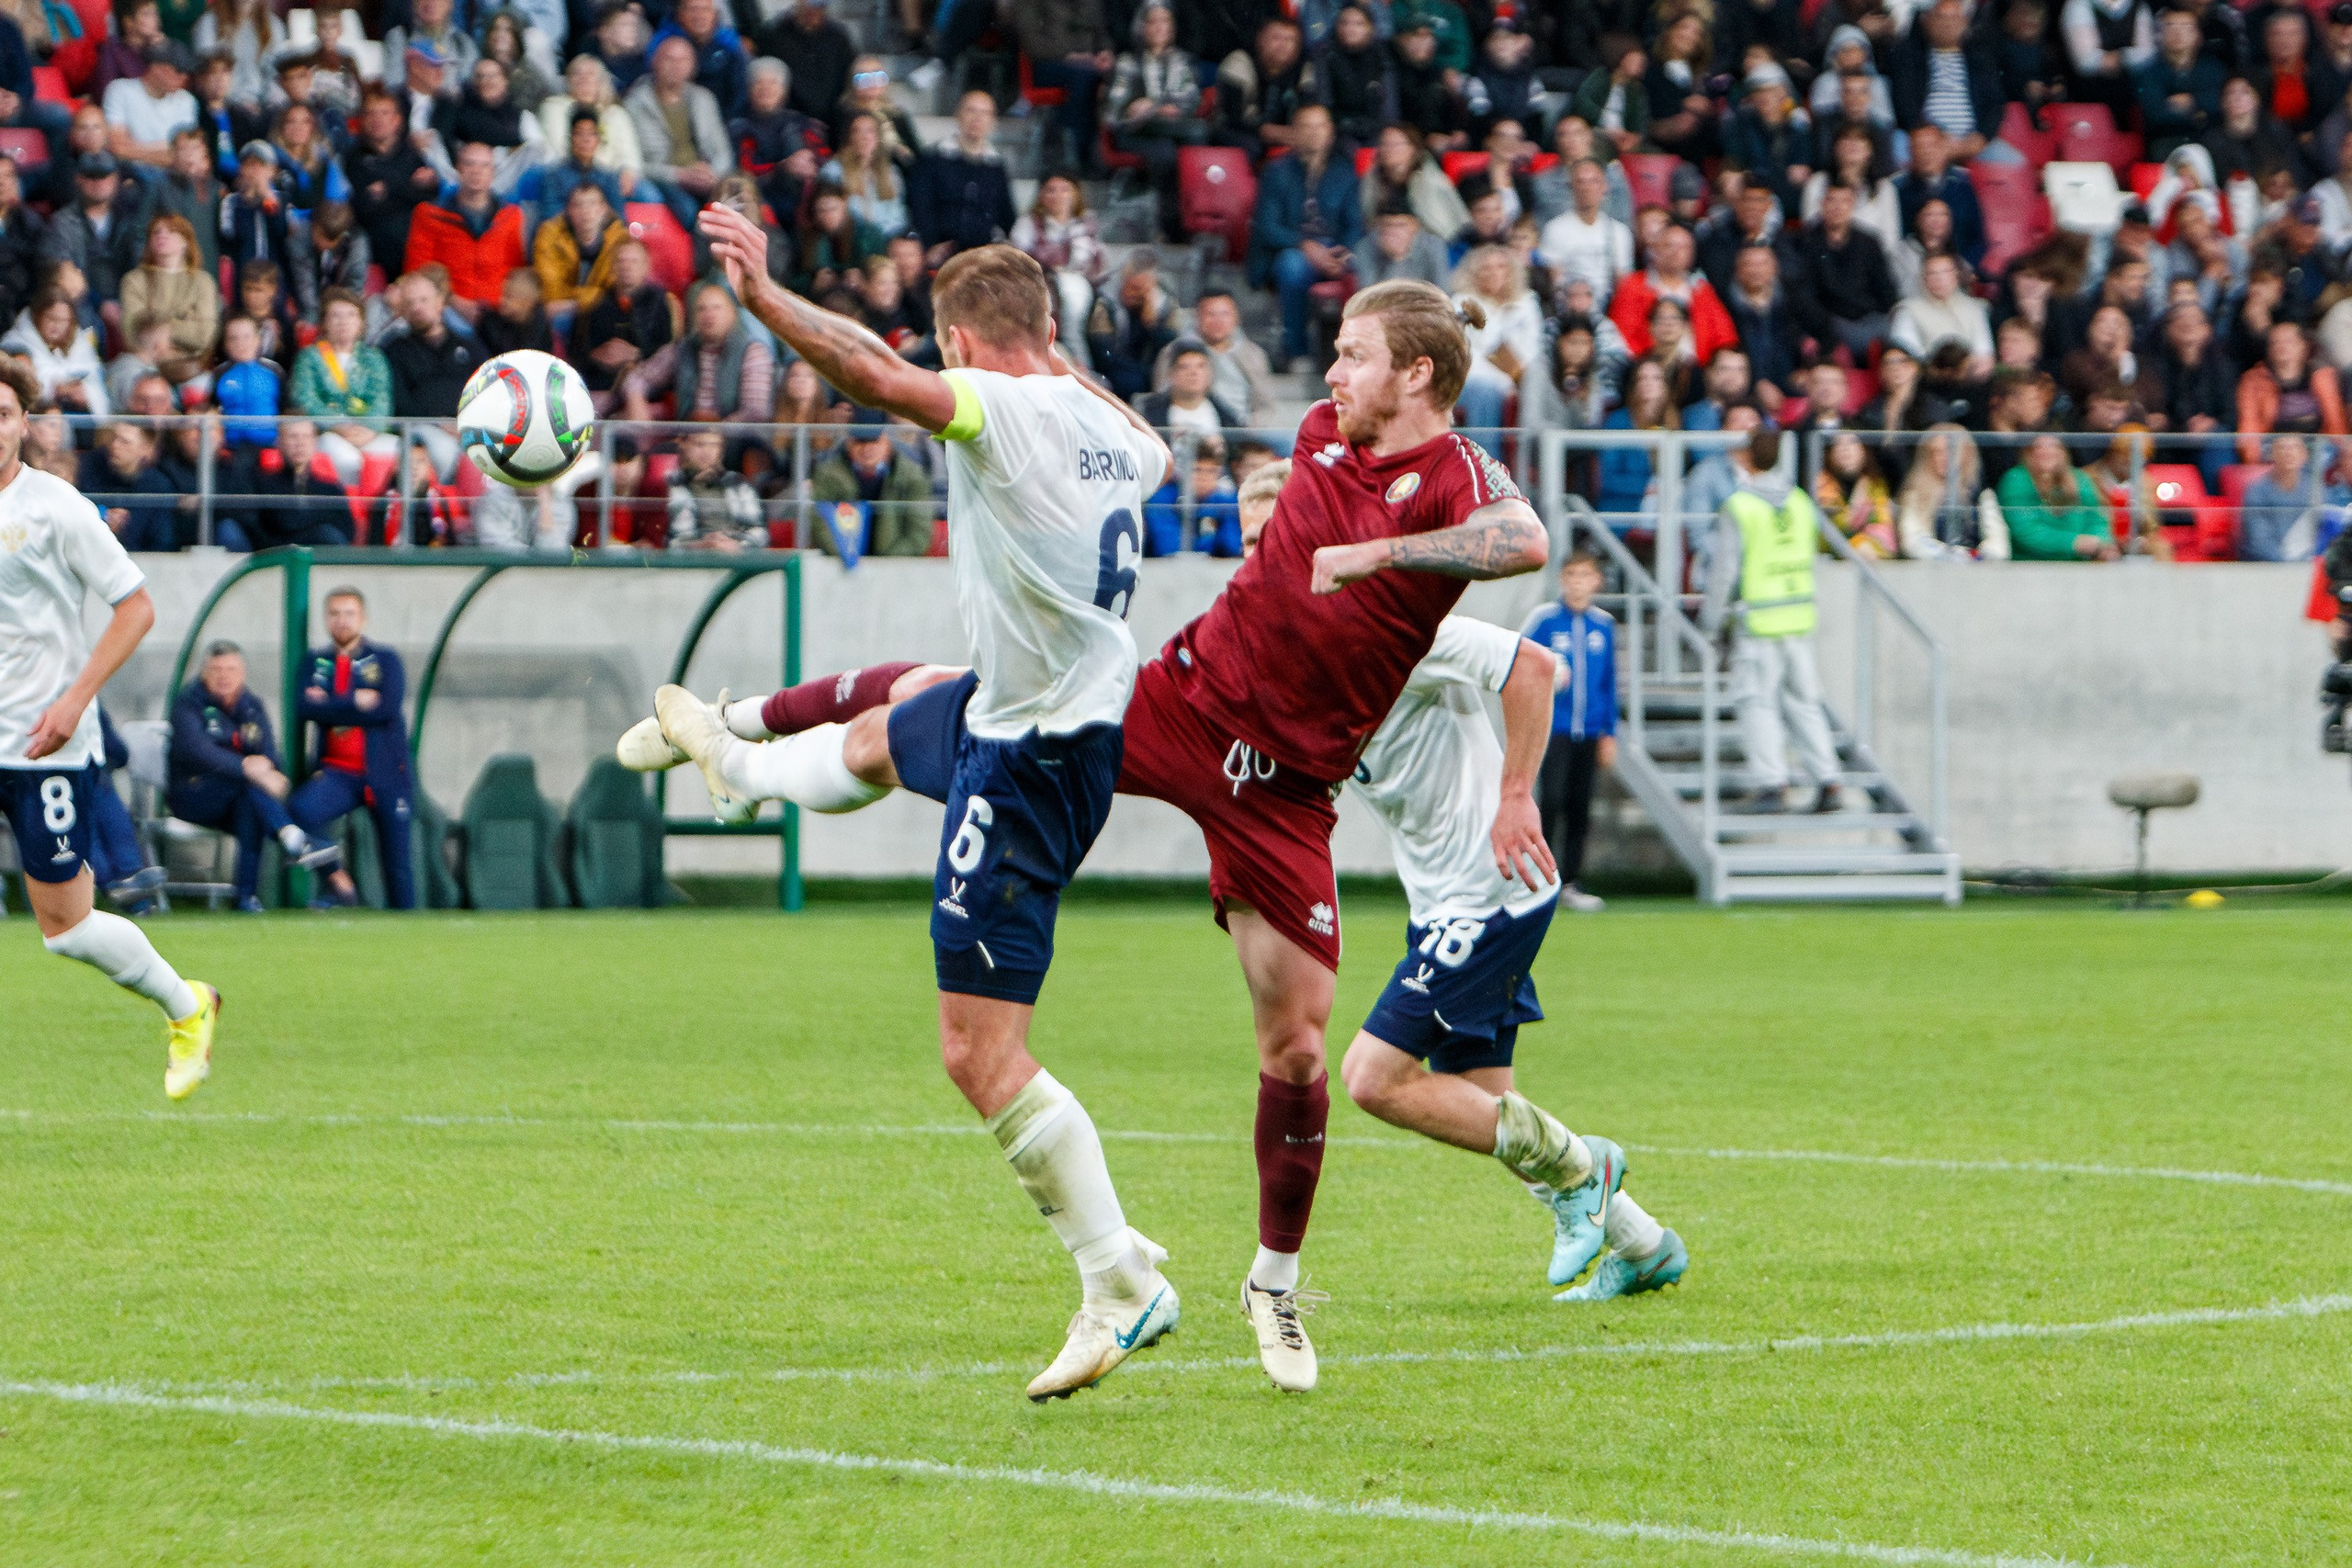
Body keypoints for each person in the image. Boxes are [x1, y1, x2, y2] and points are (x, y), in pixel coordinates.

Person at [643, 263, 1553, 1394]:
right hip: (1175, 700)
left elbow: (1521, 544)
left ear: (1417, 374)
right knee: (965, 707)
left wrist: (1379, 556)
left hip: (1287, 793)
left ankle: (1272, 1285)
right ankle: (743, 751)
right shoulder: (1321, 428)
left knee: (1299, 1049)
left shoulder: (1460, 474)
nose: (1329, 373)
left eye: (1354, 354)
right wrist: (1054, 364)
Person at [641, 215, 1181, 1403]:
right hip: (1056, 709)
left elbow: (875, 377)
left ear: (956, 341)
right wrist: (1043, 349)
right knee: (892, 726)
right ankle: (735, 757)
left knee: (976, 1051)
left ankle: (1117, 1277)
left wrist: (770, 297)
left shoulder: (1006, 409)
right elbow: (1148, 446)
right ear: (1048, 328)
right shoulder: (1112, 429)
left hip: (1028, 761)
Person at [1702, 426, 1844, 815]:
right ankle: (1828, 779)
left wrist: (1710, 623)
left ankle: (1771, 783)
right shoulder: (1800, 501)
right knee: (1804, 702)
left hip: (1759, 620)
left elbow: (1726, 571)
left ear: (1748, 457)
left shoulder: (1740, 506)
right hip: (1798, 615)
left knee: (1756, 701)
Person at [167, 637, 344, 916]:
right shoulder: (188, 704)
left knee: (251, 805)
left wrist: (271, 773)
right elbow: (196, 751)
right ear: (204, 673)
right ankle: (294, 839)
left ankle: (246, 897)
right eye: (216, 670)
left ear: (243, 673)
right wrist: (247, 768)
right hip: (193, 796)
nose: (224, 677)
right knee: (248, 787)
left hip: (239, 797)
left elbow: (270, 753)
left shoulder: (252, 706)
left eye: (231, 670)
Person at [285, 586, 415, 909]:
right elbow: (304, 708)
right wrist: (354, 702)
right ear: (326, 619)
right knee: (298, 811)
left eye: (349, 614)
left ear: (363, 618)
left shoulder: (385, 659)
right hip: (337, 772)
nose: (342, 621)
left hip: (384, 772)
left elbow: (386, 710)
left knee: (397, 861)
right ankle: (338, 883)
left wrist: (329, 703)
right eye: (334, 614)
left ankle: (409, 929)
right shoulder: (315, 661)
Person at [1520, 550, 1616, 914]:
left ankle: (1572, 882)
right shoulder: (1544, 621)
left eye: (1585, 574)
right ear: (1563, 579)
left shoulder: (1603, 625)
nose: (1578, 581)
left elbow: (1608, 683)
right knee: (1551, 802)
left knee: (1580, 806)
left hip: (1588, 733)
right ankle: (1540, 882)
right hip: (1554, 730)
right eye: (1571, 574)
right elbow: (1521, 662)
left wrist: (1609, 732)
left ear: (1596, 581)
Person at [1250, 104, 1361, 374]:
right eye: (1305, 126)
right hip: (1292, 248)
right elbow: (1267, 226)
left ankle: (1356, 353)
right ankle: (1296, 351)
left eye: (1319, 126)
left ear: (1331, 133)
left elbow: (1355, 222)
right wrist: (1304, 245)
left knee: (1364, 266)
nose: (1313, 133)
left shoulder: (1344, 171)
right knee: (1292, 267)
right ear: (1294, 133)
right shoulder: (1277, 171)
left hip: (1335, 249)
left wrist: (1344, 252)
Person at [620, 278, 774, 424]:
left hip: (735, 440)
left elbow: (755, 413)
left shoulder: (753, 352)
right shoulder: (683, 349)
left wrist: (712, 433)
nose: (709, 314)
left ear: (732, 314)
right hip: (688, 438)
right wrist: (636, 401)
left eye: (716, 308)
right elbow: (637, 378)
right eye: (702, 309)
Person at [404, 140, 526, 321]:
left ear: (493, 172)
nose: (477, 171)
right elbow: (417, 271)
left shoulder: (511, 216)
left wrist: (504, 304)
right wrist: (454, 302)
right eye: (469, 164)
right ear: (458, 168)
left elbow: (517, 271)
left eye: (484, 165)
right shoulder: (429, 214)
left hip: (498, 310)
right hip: (446, 309)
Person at [290, 288, 397, 495]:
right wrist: (339, 425)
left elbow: (382, 399)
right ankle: (351, 512)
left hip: (369, 432)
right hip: (329, 433)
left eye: (351, 315)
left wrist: (368, 428)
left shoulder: (374, 357)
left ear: (361, 323)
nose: (343, 321)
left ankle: (382, 515)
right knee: (346, 459)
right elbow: (304, 399)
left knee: (396, 450)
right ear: (324, 323)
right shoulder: (309, 357)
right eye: (335, 316)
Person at [625, 33, 731, 229]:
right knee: (689, 212)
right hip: (665, 180)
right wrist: (680, 175)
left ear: (693, 65)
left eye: (683, 60)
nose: (676, 66)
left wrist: (712, 174)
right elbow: (636, 164)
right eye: (669, 59)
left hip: (706, 177)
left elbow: (723, 151)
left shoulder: (704, 98)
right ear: (655, 62)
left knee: (740, 204)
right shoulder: (635, 104)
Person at [1453, 243, 1541, 453]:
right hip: (1473, 380)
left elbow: (1533, 348)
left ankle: (1530, 464)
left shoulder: (1527, 303)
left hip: (1521, 377)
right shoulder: (1461, 303)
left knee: (1538, 386)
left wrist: (1516, 375)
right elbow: (1467, 355)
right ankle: (1486, 466)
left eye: (1501, 267)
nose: (1494, 273)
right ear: (1474, 273)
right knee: (1485, 391)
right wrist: (1504, 381)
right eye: (1486, 268)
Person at [908, 90, 1013, 265]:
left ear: (992, 121)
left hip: (984, 254)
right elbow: (920, 207)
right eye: (971, 110)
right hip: (939, 252)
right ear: (958, 115)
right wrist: (930, 245)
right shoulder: (932, 159)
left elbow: (1006, 215)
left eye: (985, 113)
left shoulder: (996, 166)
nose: (977, 118)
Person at [809, 412, 933, 557]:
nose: (867, 448)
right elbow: (819, 522)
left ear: (888, 441)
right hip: (842, 566)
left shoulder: (911, 476)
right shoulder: (828, 475)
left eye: (874, 441)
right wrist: (847, 559)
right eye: (860, 441)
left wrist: (884, 566)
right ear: (848, 443)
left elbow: (918, 534)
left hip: (895, 569)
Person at [344, 88, 436, 280]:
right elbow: (364, 208)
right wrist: (409, 186)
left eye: (385, 113)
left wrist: (387, 189)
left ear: (397, 120)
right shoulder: (352, 159)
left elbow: (428, 195)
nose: (378, 119)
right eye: (370, 113)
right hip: (376, 253)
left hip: (416, 247)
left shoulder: (412, 154)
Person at [1149, 289, 1272, 428]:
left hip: (1242, 432)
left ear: (1237, 317)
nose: (1218, 321)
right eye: (1211, 314)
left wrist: (1250, 435)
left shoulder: (1253, 354)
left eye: (1225, 314)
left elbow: (1263, 404)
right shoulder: (1173, 352)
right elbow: (1160, 398)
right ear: (1197, 317)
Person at [1996, 433, 2124, 558]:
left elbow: (2097, 519)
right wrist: (2074, 543)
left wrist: (2099, 542)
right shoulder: (2016, 480)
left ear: (2063, 451)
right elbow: (2026, 531)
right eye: (2038, 447)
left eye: (2053, 446)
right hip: (2031, 566)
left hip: (2079, 566)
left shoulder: (2080, 478)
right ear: (2028, 452)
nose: (2045, 451)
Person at [117, 211, 215, 372]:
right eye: (156, 231)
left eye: (171, 231)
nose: (162, 235)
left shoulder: (203, 281)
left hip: (188, 363)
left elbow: (203, 336)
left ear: (185, 241)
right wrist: (184, 323)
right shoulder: (134, 280)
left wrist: (162, 329)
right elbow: (130, 333)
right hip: (144, 361)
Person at [1895, 424, 2008, 559]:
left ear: (1967, 453)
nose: (1944, 457)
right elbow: (1912, 541)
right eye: (1937, 452)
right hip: (1930, 569)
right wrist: (1948, 555)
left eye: (1951, 450)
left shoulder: (1982, 495)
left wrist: (1977, 557)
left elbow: (1998, 541)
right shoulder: (1914, 495)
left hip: (1976, 570)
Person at [1538, 159, 1634, 310]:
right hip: (1568, 308)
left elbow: (1622, 281)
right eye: (1580, 182)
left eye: (1593, 181)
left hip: (1607, 309)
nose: (1586, 188)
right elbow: (1554, 280)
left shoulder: (1620, 232)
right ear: (1571, 187)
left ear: (1604, 187)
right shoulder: (1555, 229)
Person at [532, 178, 622, 336]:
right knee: (558, 319)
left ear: (604, 209)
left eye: (592, 204)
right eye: (578, 205)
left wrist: (574, 304)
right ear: (568, 210)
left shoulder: (619, 239)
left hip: (599, 311)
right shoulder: (549, 235)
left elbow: (613, 293)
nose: (585, 211)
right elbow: (551, 289)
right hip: (560, 313)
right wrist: (589, 299)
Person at [1890, 252, 1994, 378]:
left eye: (1945, 272)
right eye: (1932, 273)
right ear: (1923, 278)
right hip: (1929, 380)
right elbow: (1908, 353)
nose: (1939, 279)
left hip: (1970, 378)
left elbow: (1984, 351)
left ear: (1956, 275)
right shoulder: (1908, 310)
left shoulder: (1975, 308)